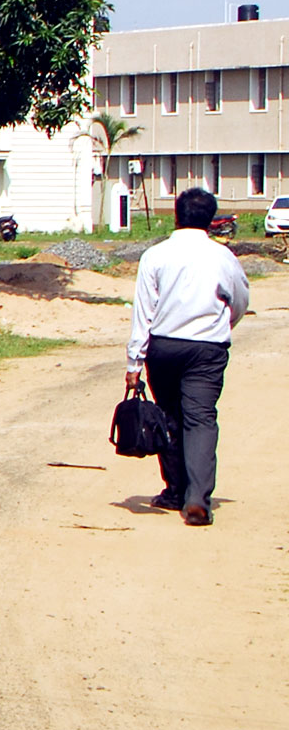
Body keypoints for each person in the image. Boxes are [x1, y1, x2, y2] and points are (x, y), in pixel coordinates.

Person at [127, 187, 252, 526]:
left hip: (164, 347)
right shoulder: (223, 257)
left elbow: (144, 312)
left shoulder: (155, 255)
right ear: (211, 220)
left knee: (168, 416)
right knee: (200, 419)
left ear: (176, 215)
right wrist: (224, 324)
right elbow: (240, 299)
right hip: (207, 350)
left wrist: (134, 362)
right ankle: (197, 499)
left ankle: (174, 490)